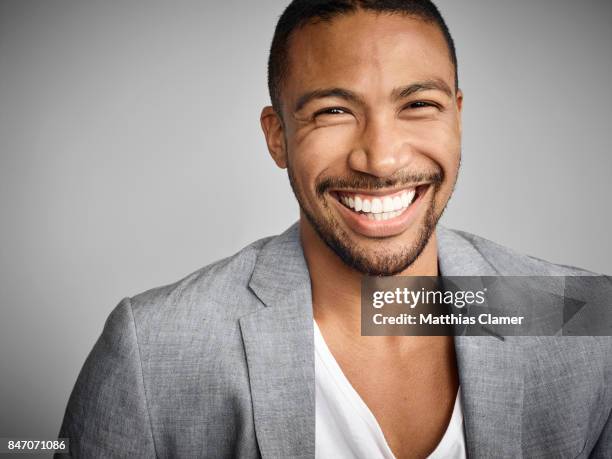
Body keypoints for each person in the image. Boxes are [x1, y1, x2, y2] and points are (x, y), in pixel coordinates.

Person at [57, 1, 611, 458]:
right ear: (277, 137)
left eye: (419, 103)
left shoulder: (583, 322)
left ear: (457, 117)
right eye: (333, 112)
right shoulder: (151, 352)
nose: (382, 160)